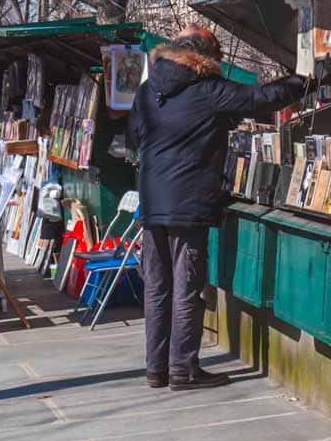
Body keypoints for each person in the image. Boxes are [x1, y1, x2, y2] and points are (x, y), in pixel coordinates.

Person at [126, 26, 306, 390]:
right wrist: (304, 82)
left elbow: (134, 137)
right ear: (206, 58)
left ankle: (156, 369)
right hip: (188, 201)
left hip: (152, 199)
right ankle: (183, 369)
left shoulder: (148, 90)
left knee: (157, 287)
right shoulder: (205, 89)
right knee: (187, 285)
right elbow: (261, 99)